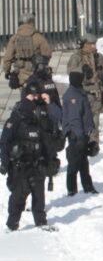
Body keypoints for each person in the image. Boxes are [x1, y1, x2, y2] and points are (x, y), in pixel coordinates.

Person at [1, 81, 57, 231]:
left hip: (36, 164)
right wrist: (5, 163)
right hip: (19, 166)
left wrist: (51, 159)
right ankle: (12, 225)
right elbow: (4, 142)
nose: (35, 99)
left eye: (36, 96)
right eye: (32, 96)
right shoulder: (15, 119)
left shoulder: (37, 117)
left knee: (39, 196)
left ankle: (41, 222)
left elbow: (45, 141)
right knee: (18, 196)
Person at [67, 33, 103, 139]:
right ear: (84, 44)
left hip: (97, 95)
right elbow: (71, 73)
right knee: (83, 121)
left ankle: (94, 144)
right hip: (83, 94)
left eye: (95, 44)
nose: (94, 46)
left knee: (95, 122)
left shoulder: (99, 57)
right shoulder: (76, 57)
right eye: (91, 44)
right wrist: (82, 70)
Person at [60, 71, 97, 196]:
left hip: (81, 133)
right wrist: (80, 135)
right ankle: (72, 189)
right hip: (76, 134)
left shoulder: (78, 92)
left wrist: (89, 129)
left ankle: (87, 187)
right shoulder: (73, 96)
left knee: (82, 161)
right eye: (80, 79)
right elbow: (74, 119)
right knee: (74, 161)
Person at [3, 11, 52, 89]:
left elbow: (7, 58)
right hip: (36, 72)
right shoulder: (38, 37)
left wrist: (7, 71)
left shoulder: (14, 38)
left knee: (24, 96)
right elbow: (47, 54)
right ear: (32, 22)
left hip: (21, 74)